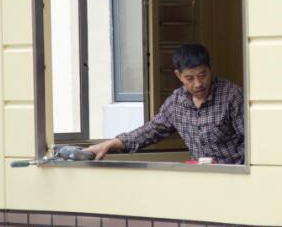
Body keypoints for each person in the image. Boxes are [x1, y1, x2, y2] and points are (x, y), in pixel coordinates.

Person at [86, 43, 245, 165]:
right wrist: (109, 144)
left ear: (211, 69)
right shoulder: (176, 102)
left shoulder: (231, 95)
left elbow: (251, 139)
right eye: (189, 78)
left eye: (203, 75)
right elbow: (150, 131)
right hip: (199, 176)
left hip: (235, 175)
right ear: (179, 76)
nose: (198, 84)